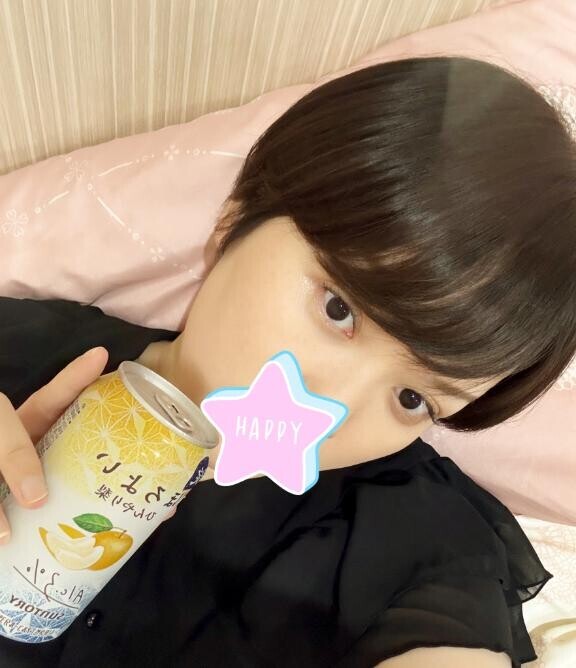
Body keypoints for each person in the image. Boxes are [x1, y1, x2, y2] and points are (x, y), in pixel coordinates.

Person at [0, 55, 574, 667]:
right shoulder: (17, 350)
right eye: (338, 309)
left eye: (413, 399)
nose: (331, 410)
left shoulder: (419, 543)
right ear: (234, 222)